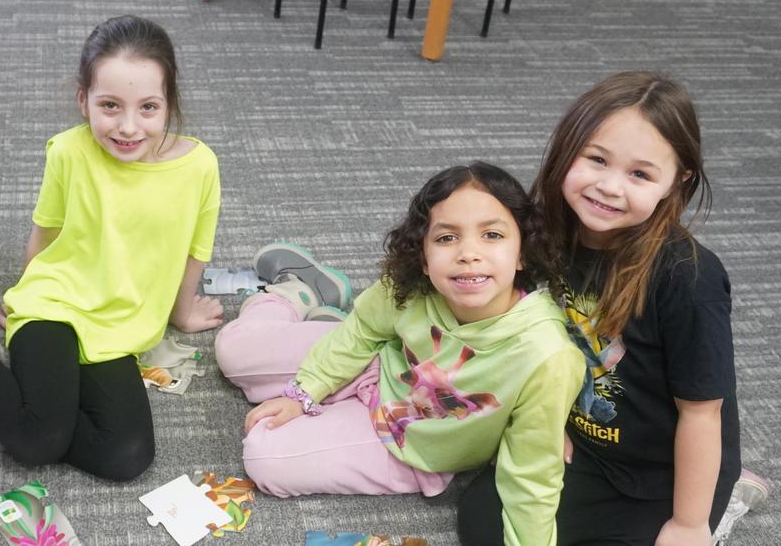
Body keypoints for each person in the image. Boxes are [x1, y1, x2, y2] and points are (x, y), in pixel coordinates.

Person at [0, 15, 222, 481]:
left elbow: (196, 248)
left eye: (148, 108)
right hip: (54, 304)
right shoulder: (68, 152)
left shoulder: (199, 167)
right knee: (37, 443)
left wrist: (182, 311)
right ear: (83, 100)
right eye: (110, 106)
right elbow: (46, 234)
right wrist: (21, 300)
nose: (129, 127)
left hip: (120, 325)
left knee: (127, 457)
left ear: (169, 104)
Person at [216, 162, 585, 545]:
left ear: (523, 252)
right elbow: (362, 331)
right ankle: (300, 292)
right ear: (423, 258)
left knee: (264, 455)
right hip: (375, 362)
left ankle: (318, 312)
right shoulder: (409, 288)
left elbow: (532, 475)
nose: (468, 253)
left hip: (408, 440)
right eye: (446, 238)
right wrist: (307, 389)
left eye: (492, 235)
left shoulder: (547, 356)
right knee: (232, 350)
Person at [458, 71, 742, 545]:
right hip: (581, 445)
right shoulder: (540, 231)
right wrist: (540, 422)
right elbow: (511, 329)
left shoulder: (689, 278)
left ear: (677, 181)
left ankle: (721, 511)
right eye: (596, 159)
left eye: (640, 174)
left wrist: (689, 524)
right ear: (567, 148)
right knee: (484, 526)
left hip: (661, 476)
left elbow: (702, 414)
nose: (609, 187)